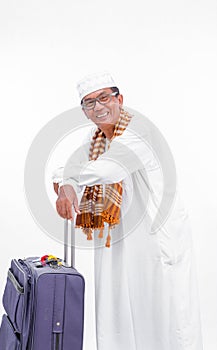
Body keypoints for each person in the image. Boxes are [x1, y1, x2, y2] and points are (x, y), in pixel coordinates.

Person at [52, 72, 203, 350]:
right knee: (117, 312)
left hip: (155, 239)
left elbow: (108, 169)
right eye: (89, 103)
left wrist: (66, 181)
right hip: (119, 238)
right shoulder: (95, 137)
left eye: (104, 98)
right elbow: (75, 167)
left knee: (164, 315)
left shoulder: (139, 131)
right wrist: (67, 183)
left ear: (119, 99)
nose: (98, 107)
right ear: (84, 113)